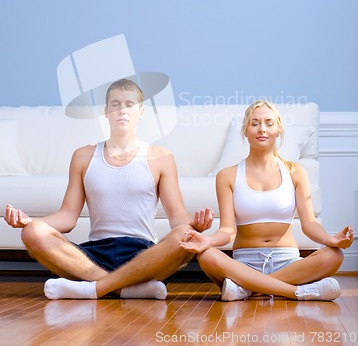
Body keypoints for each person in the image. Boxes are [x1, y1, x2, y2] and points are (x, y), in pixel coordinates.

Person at [4, 78, 213, 300]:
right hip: (92, 256)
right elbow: (67, 217)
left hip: (143, 255)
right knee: (32, 232)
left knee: (184, 235)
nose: (122, 110)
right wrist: (32, 222)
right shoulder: (83, 156)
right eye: (115, 104)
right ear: (106, 111)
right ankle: (126, 288)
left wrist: (194, 225)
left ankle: (94, 288)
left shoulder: (161, 157)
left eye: (129, 105)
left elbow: (177, 218)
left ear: (141, 112)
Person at [179, 100, 354, 301]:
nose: (262, 129)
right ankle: (295, 292)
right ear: (245, 130)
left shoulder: (296, 172)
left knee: (334, 255)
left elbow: (309, 223)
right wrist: (208, 241)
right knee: (207, 255)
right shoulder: (226, 176)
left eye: (269, 123)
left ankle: (248, 289)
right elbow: (228, 229)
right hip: (244, 263)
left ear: (279, 129)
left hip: (286, 261)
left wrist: (329, 240)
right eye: (254, 123)